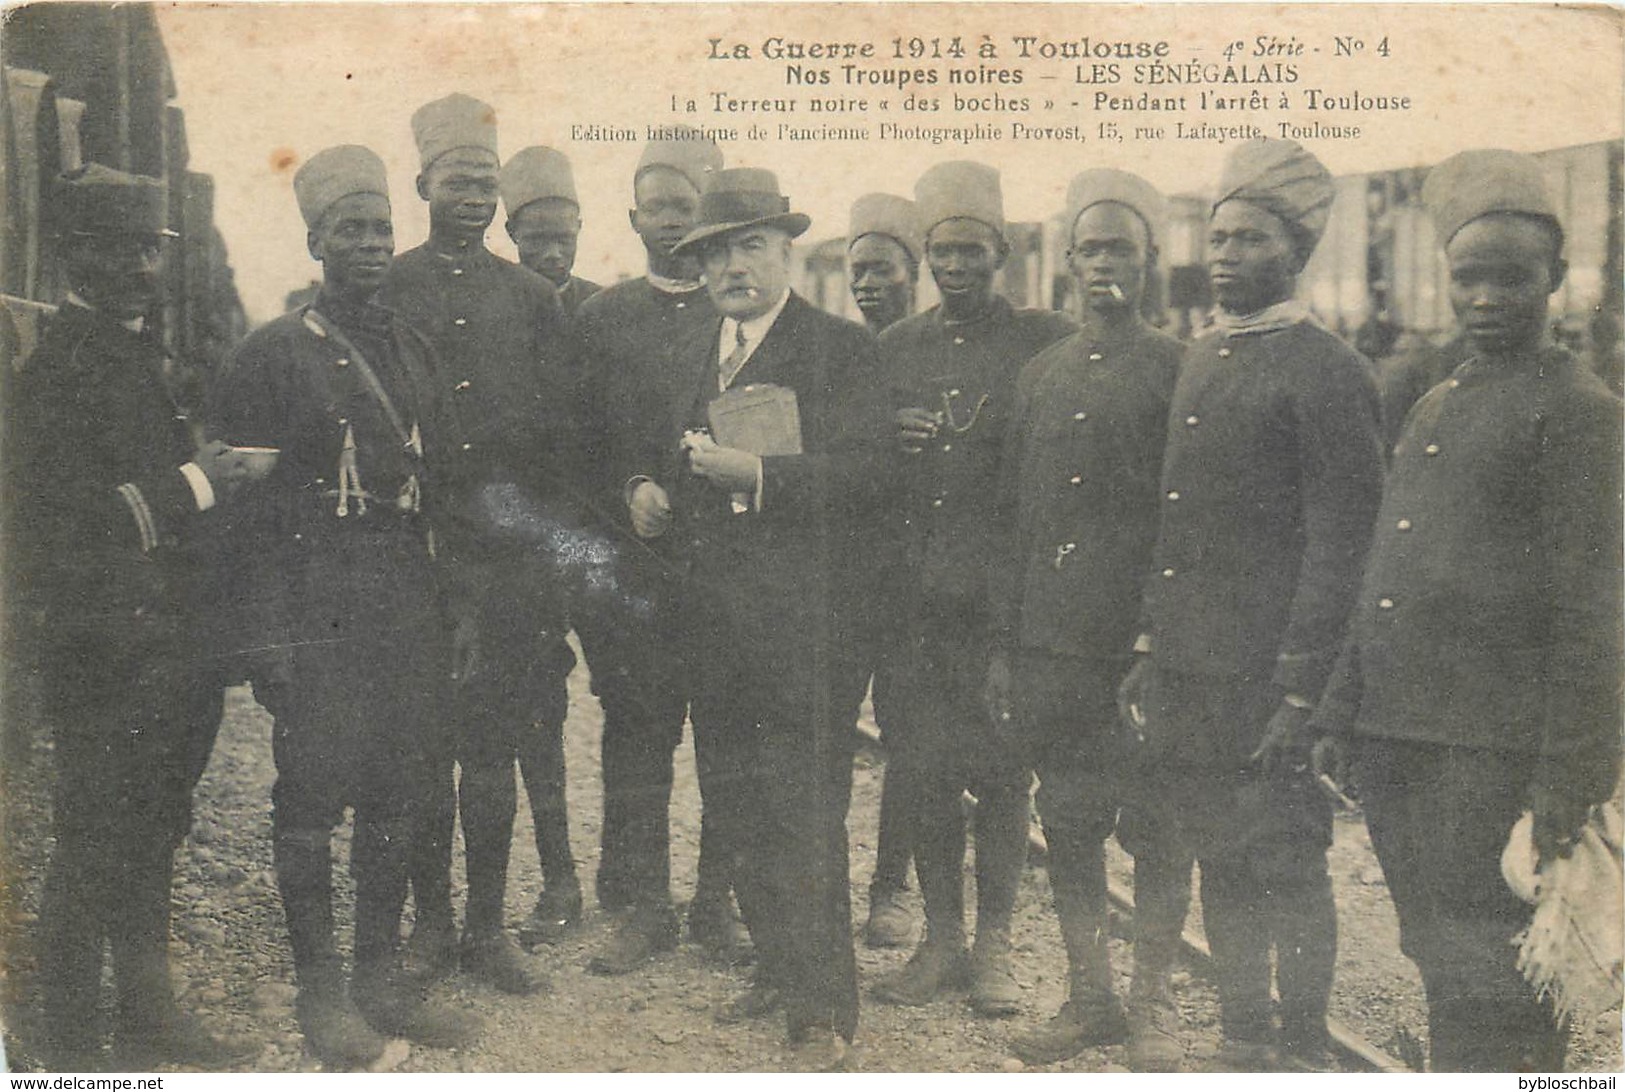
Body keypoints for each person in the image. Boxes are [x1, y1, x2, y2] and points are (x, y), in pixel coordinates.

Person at [1309, 149, 1623, 1073]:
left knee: (1495, 968)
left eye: (1510, 279)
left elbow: (1594, 615)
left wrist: (1566, 786)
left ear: (1556, 282)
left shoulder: (1580, 413)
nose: (1484, 298)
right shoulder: (1437, 399)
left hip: (1488, 751)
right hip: (1401, 737)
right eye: (1466, 278)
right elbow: (1384, 571)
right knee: (1436, 953)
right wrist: (1340, 708)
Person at [209, 145, 484, 1066]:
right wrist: (263, 636)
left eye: (380, 229)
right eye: (350, 231)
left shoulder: (412, 347)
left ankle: (377, 977)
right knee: (314, 796)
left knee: (400, 788)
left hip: (407, 596)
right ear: (316, 240)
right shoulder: (274, 352)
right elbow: (241, 515)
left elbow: (445, 486)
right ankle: (321, 994)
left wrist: (461, 609)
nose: (370, 245)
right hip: (316, 598)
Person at [1118, 138, 1384, 1071]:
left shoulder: (1328, 369)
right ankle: (1241, 1036)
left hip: (1271, 678)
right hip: (1193, 666)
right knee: (1218, 853)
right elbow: (1173, 515)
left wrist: (1305, 689)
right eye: (1218, 237)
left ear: (1293, 253)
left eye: (1248, 240)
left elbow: (1343, 544)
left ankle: (1305, 1046)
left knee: (1287, 859)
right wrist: (1152, 638)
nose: (1224, 255)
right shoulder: (1201, 357)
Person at [5, 165, 268, 1070]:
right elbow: (56, 523)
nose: (144, 269)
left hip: (163, 648)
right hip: (103, 649)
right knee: (90, 842)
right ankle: (69, 1041)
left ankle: (149, 1018)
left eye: (151, 250)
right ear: (76, 254)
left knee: (155, 826)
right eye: (120, 249)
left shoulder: (134, 354)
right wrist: (202, 480)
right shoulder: (57, 370)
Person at [628, 167, 884, 1070]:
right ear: (696, 270)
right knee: (735, 807)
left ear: (785, 252)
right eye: (713, 254)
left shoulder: (839, 351)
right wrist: (644, 488)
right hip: (713, 628)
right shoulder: (697, 350)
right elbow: (663, 450)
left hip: (805, 633)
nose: (731, 268)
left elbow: (875, 480)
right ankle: (778, 970)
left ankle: (823, 1014)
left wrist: (766, 479)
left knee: (802, 813)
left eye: (748, 246)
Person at [989, 170, 1194, 1070]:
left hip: (1139, 649)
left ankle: (1151, 1007)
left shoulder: (1180, 369)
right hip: (1051, 646)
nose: (1103, 262)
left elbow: (1191, 523)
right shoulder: (1039, 374)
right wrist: (1005, 642)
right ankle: (1090, 999)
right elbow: (1012, 518)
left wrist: (1155, 636)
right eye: (1089, 247)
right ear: (1066, 262)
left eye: (1121, 246)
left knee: (1155, 824)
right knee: (1066, 819)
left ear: (1151, 259)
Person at [873, 161, 1077, 1017]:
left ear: (1001, 252)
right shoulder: (894, 349)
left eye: (970, 252)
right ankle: (941, 941)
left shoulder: (1044, 340)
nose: (953, 268)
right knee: (919, 770)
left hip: (1001, 605)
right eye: (940, 253)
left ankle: (993, 946)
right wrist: (887, 434)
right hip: (913, 604)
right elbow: (857, 467)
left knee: (1000, 776)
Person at [380, 93, 572, 994]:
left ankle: (489, 929)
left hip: (506, 567)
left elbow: (563, 450)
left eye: (487, 183)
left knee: (493, 750)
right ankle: (430, 926)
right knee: (422, 749)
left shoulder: (532, 299)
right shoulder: (386, 289)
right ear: (421, 183)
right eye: (457, 179)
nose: (474, 196)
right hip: (414, 562)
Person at [573, 130, 748, 973]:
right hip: (636, 574)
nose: (670, 221)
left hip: (724, 571)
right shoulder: (602, 318)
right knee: (637, 738)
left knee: (725, 735)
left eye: (685, 204)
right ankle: (645, 907)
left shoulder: (743, 311)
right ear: (632, 216)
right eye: (657, 205)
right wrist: (625, 491)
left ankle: (718, 903)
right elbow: (576, 445)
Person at [843, 192, 923, 950]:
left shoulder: (933, 349)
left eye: (883, 270)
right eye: (856, 270)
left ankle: (890, 888)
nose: (868, 285)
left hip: (909, 582)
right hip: (838, 577)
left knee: (905, 735)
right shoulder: (831, 348)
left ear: (914, 272)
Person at [500, 145, 602, 315]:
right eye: (538, 240)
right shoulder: (492, 303)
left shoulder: (601, 305)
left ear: (578, 228)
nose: (553, 254)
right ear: (512, 232)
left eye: (564, 240)